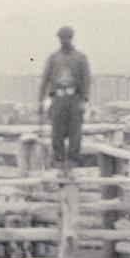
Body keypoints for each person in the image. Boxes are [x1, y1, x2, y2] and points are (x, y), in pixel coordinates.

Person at [39, 26, 90, 173]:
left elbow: (86, 79)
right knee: (57, 131)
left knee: (75, 132)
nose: (64, 41)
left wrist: (84, 100)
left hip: (74, 98)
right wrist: (41, 100)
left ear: (71, 38)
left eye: (67, 38)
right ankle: (58, 162)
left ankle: (74, 162)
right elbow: (45, 79)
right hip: (58, 98)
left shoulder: (80, 58)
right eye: (62, 38)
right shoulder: (54, 58)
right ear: (59, 39)